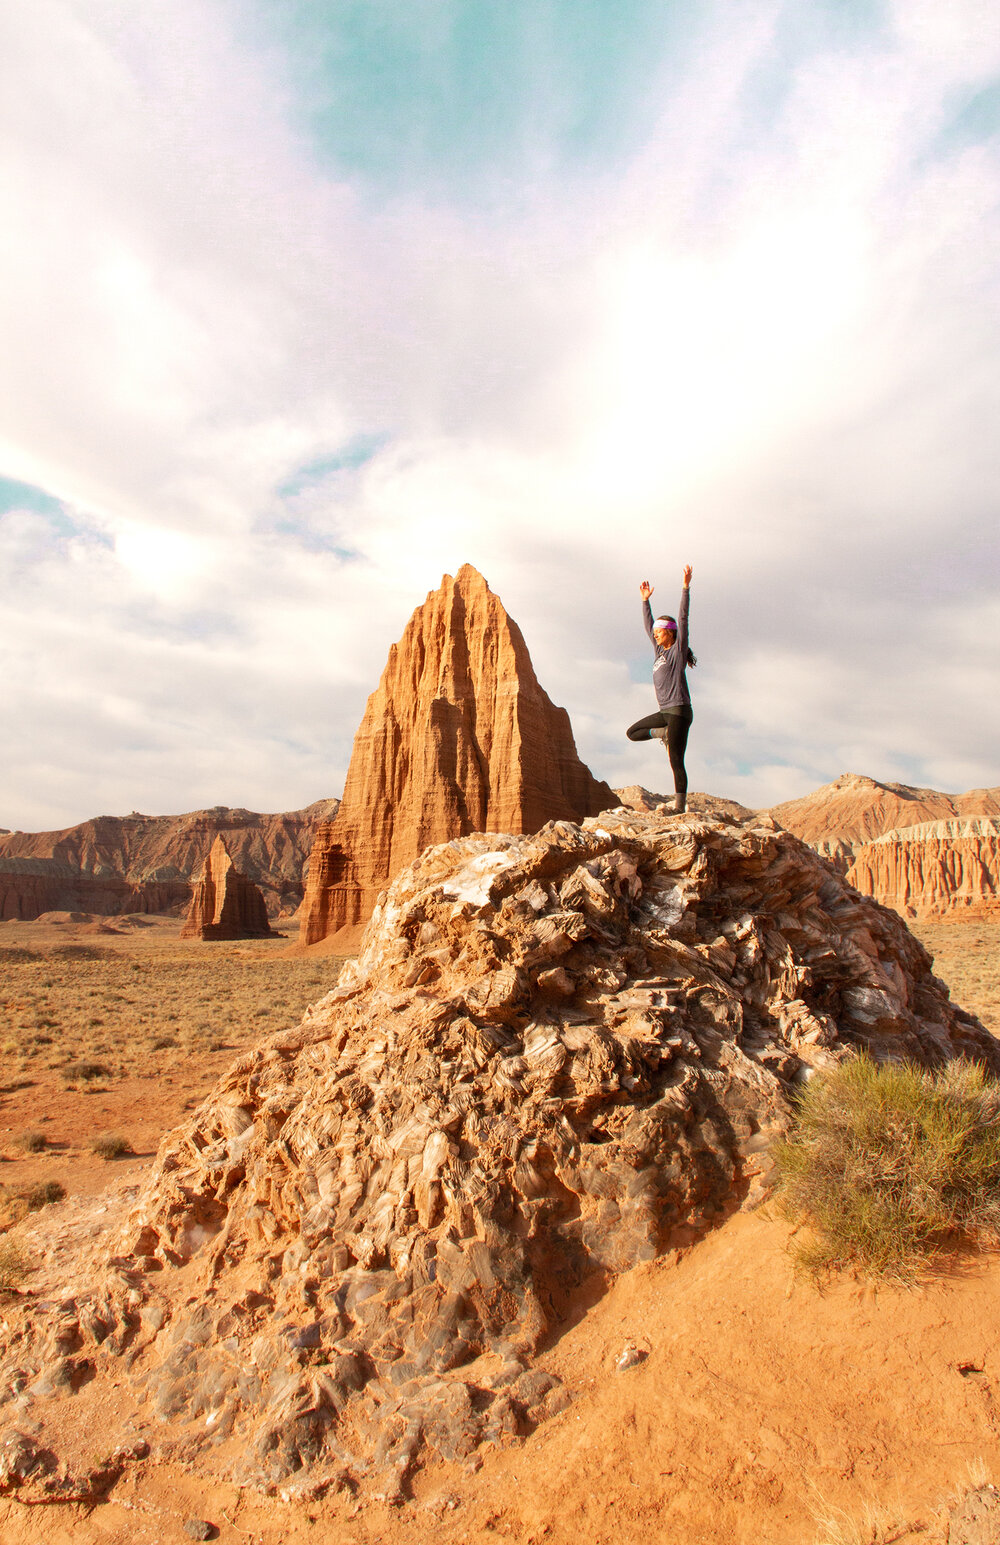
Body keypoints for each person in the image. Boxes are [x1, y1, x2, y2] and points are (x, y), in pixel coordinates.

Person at [626, 565, 695, 813]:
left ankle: (679, 807)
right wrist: (645, 602)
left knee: (676, 760)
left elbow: (684, 619)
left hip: (679, 711)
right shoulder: (659, 652)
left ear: (669, 633)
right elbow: (647, 627)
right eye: (654, 632)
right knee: (633, 732)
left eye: (659, 632)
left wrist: (685, 588)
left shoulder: (676, 651)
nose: (655, 635)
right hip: (665, 713)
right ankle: (662, 734)